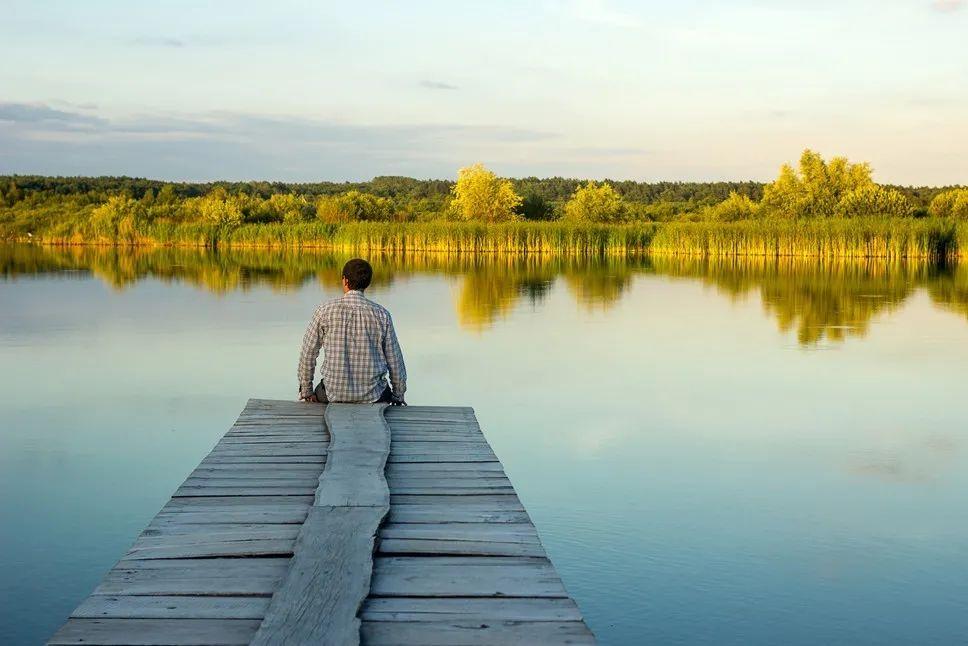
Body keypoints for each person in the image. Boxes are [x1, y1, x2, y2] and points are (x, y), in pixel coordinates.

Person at [297, 258, 407, 405]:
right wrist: (398, 395)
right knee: (384, 389)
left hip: (333, 393)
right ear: (367, 283)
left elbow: (308, 353)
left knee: (320, 391)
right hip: (374, 395)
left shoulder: (324, 311)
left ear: (345, 280)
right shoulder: (382, 315)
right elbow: (395, 360)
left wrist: (306, 391)